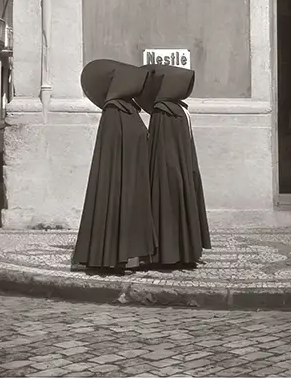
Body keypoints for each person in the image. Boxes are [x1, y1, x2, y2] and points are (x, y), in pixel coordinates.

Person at [72, 60, 160, 273]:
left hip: (133, 173)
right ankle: (112, 258)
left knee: (134, 213)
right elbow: (111, 150)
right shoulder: (113, 111)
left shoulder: (129, 108)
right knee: (119, 209)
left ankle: (132, 256)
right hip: (119, 176)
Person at [136, 64, 211, 268]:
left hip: (179, 168)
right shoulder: (164, 111)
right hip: (170, 170)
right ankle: (171, 254)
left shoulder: (176, 110)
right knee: (170, 208)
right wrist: (174, 170)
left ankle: (181, 253)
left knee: (178, 206)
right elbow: (164, 146)